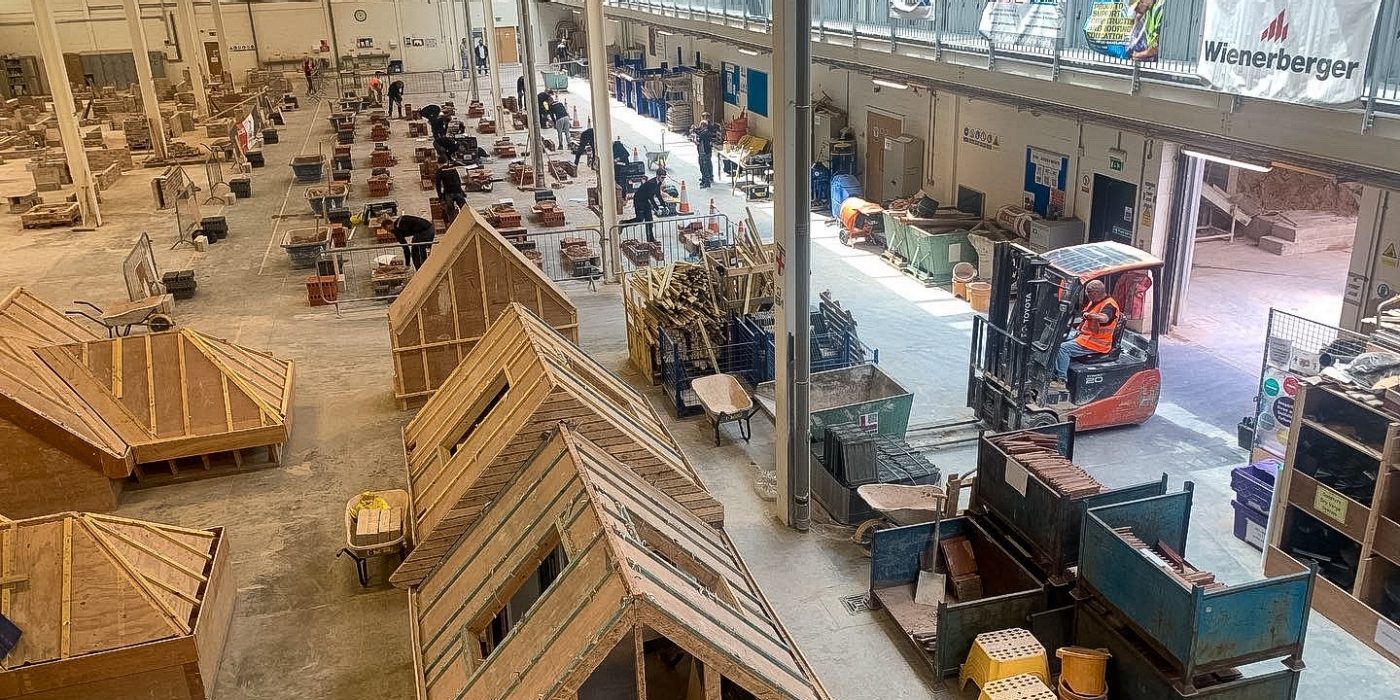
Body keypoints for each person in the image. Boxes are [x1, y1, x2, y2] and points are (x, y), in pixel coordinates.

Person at [1054, 279, 1120, 388]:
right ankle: (1054, 371)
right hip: (1085, 336)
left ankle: (1061, 380)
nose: (1086, 295)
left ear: (1094, 293)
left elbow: (1104, 318)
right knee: (1057, 338)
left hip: (1096, 343)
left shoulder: (1109, 305)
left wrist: (1092, 316)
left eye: (1087, 293)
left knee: (1063, 348)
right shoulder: (1095, 301)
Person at [625, 168, 668, 243]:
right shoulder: (651, 183)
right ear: (657, 176)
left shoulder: (658, 182)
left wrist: (665, 206)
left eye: (664, 177)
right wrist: (657, 208)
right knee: (639, 219)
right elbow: (651, 198)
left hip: (645, 200)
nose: (663, 179)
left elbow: (658, 195)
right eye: (662, 177)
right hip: (639, 200)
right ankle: (623, 224)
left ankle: (650, 239)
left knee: (649, 220)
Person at [690, 112, 719, 188]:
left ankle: (707, 180)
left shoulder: (707, 130)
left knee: (705, 166)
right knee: (703, 165)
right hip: (704, 151)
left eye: (704, 116)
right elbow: (698, 131)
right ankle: (705, 179)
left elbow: (699, 137)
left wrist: (694, 138)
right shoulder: (704, 130)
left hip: (705, 152)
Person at [435, 155, 466, 224]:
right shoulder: (453, 168)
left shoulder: (439, 171)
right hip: (458, 191)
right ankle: (469, 222)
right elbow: (458, 180)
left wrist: (440, 197)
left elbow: (438, 185)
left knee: (450, 211)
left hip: (449, 193)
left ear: (439, 163)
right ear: (447, 162)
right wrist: (461, 191)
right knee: (465, 209)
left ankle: (453, 225)